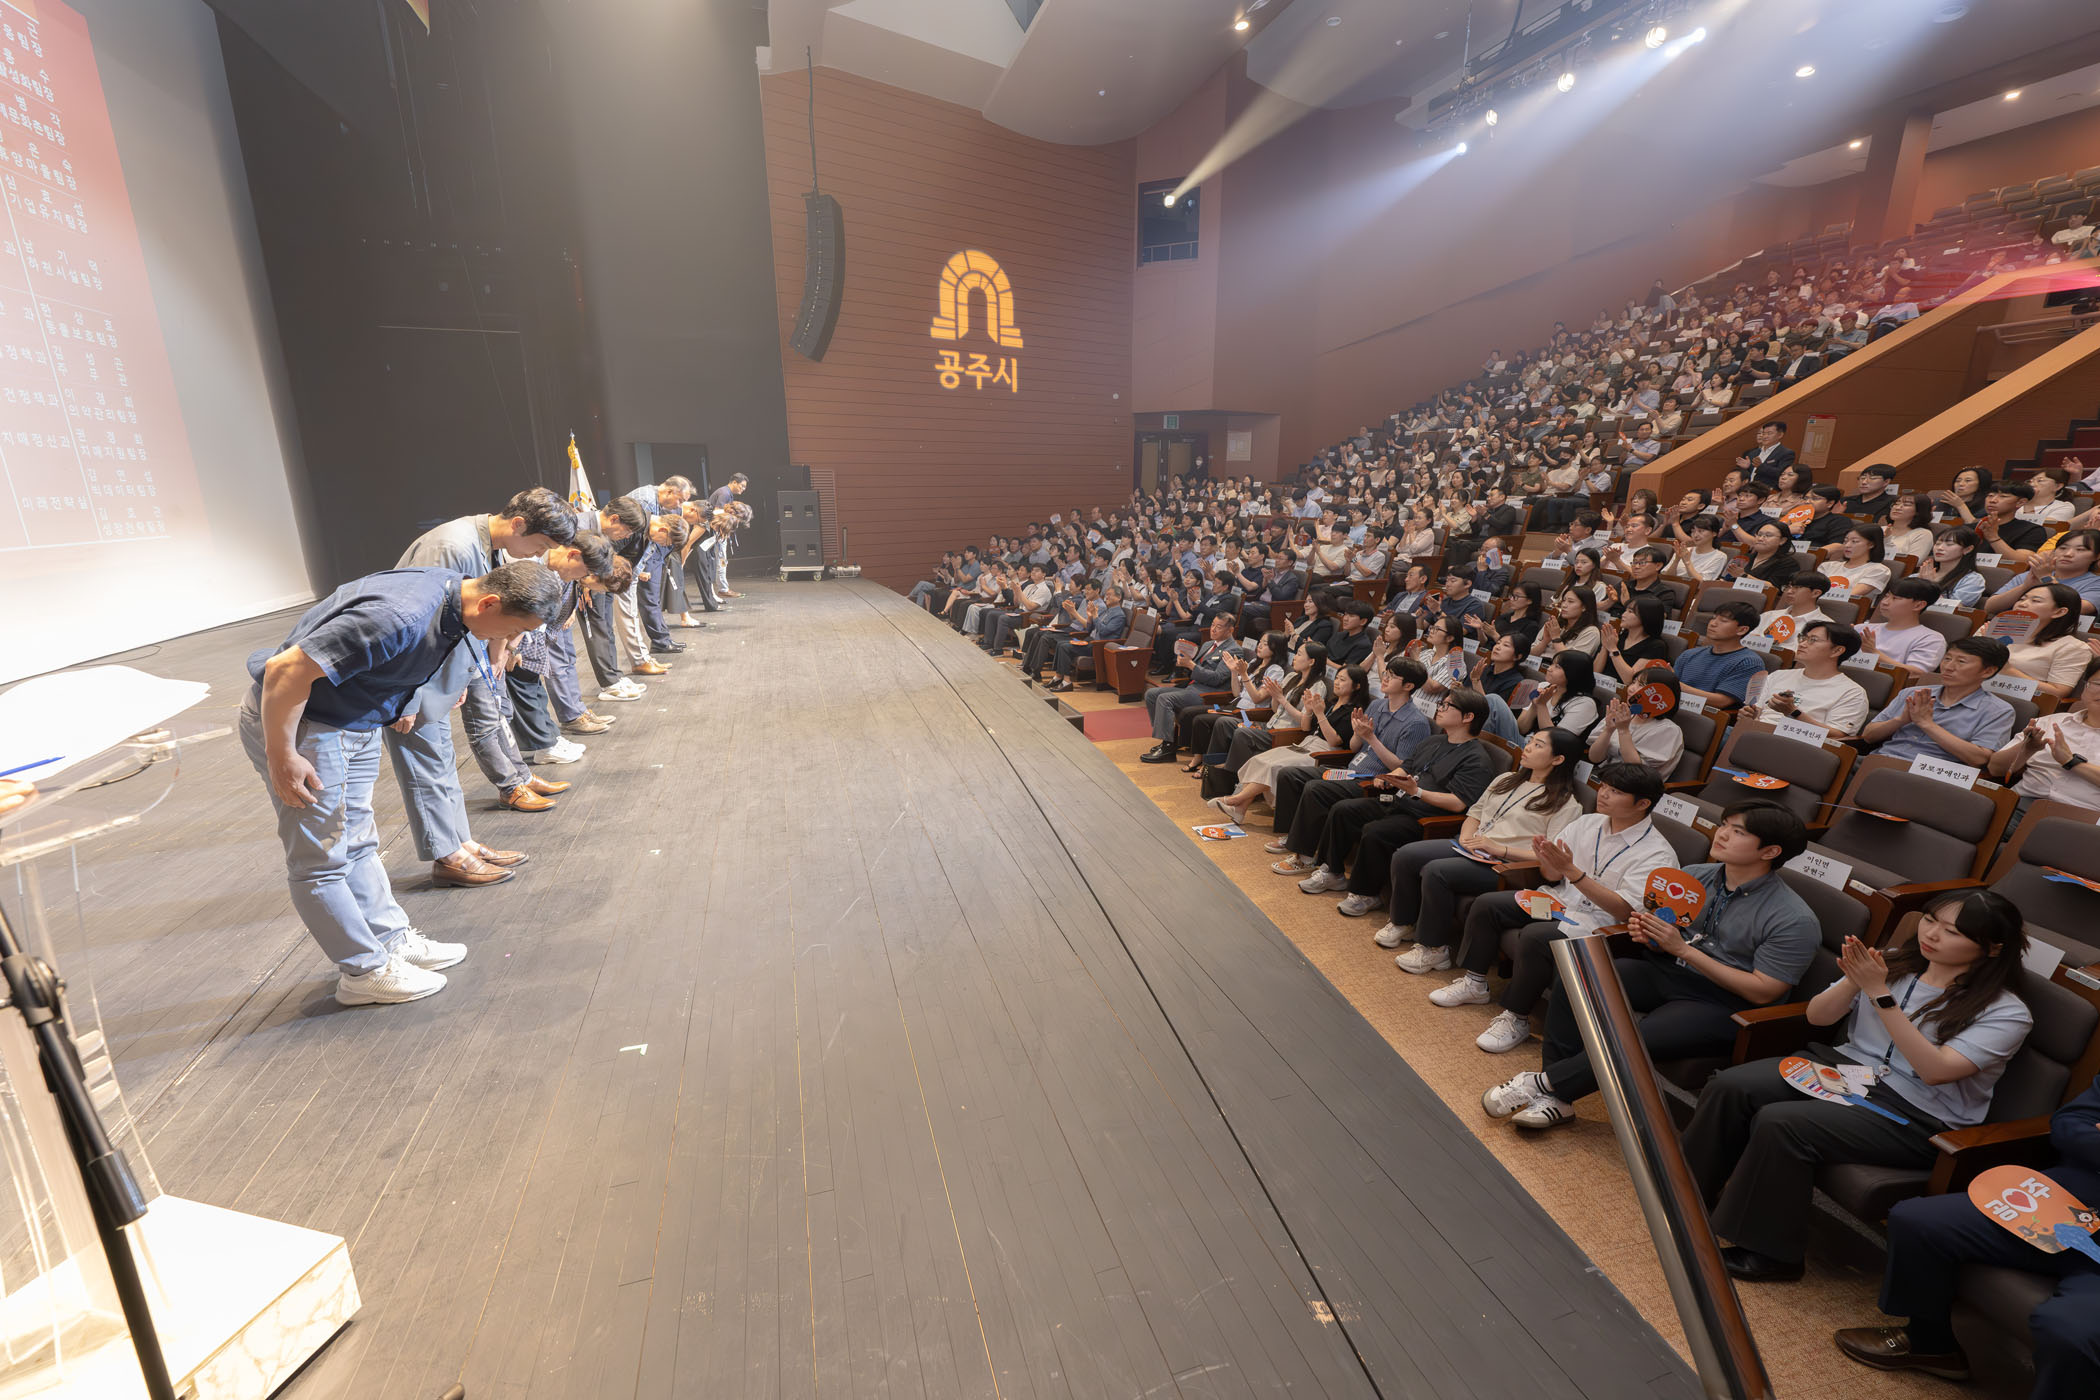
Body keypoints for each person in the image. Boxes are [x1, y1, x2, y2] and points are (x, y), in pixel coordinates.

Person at [241, 561, 562, 1005]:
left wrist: (404, 699)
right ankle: (363, 972)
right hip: (305, 726)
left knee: (359, 842)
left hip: (351, 722)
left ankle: (390, 942)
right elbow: (284, 670)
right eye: (512, 630)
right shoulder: (399, 615)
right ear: (490, 603)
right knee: (321, 860)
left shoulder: (452, 596)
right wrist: (282, 754)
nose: (506, 641)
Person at [1687, 889, 2033, 1281]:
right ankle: (1687, 1192)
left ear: (1992, 948)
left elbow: (1935, 1070)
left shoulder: (2006, 1011)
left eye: (1952, 932)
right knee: (1732, 1086)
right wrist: (1854, 980)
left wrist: (1879, 993)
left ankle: (1772, 1255)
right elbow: (1818, 1018)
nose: (1932, 934)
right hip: (1848, 1068)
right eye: (1930, 920)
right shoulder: (1890, 963)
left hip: (1915, 1112)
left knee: (1782, 1122)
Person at [1481, 802, 1821, 1129]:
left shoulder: (1793, 918)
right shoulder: (1693, 877)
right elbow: (1667, 938)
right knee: (1581, 974)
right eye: (1724, 825)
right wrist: (1649, 935)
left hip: (1724, 1001)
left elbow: (1764, 991)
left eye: (1738, 831)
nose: (1722, 834)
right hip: (1669, 970)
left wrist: (1683, 950)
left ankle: (1546, 1085)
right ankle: (1557, 1096)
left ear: (1770, 851)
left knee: (1643, 1033)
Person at [1835, 1070, 2100, 1389]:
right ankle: (1930, 1345)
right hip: (2063, 1204)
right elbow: (2070, 1122)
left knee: (2066, 1331)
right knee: (1916, 1220)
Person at [1411, 763, 1676, 1052]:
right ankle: (1475, 984)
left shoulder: (1657, 854)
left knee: (1536, 937)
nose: (1603, 794)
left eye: (1616, 791)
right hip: (1560, 901)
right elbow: (1551, 876)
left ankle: (1516, 1018)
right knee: (1488, 905)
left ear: (1643, 804)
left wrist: (1572, 871)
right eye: (1604, 786)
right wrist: (1549, 861)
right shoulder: (1589, 824)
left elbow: (1625, 910)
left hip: (1599, 924)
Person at [387, 490, 576, 893]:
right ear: (519, 524)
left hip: (438, 674)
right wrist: (409, 693)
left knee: (441, 763)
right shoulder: (451, 547)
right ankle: (447, 856)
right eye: (540, 544)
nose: (538, 555)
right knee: (425, 766)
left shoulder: (482, 546)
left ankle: (460, 842)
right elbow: (416, 625)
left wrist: (459, 675)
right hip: (413, 679)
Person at [1375, 729, 1584, 951]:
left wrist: (1500, 850)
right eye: (1530, 741)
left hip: (1505, 866)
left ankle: (1433, 949)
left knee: (1436, 871)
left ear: (1558, 759)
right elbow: (1475, 813)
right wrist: (1466, 838)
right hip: (1473, 846)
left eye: (1538, 745)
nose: (1528, 747)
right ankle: (1402, 923)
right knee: (1406, 856)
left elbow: (1549, 858)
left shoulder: (1565, 805)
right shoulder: (1506, 779)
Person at [1294, 691, 1499, 917]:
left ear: (1468, 717)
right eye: (1441, 703)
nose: (1439, 708)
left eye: (1447, 705)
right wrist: (1390, 777)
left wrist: (1417, 792)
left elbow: (1458, 804)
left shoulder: (1476, 759)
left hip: (1425, 817)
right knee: (1343, 810)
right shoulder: (1434, 741)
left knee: (1376, 831)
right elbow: (1406, 767)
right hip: (1399, 801)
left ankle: (1366, 894)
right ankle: (1332, 872)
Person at [1265, 656, 1432, 868]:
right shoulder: (1377, 705)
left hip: (1374, 782)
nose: (1385, 678)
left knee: (1316, 789)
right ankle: (1293, 836)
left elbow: (1399, 767)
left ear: (1408, 686)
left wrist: (1371, 738)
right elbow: (1354, 748)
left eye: (1392, 676)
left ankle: (1304, 857)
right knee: (1290, 774)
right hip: (1351, 770)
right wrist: (1358, 733)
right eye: (1386, 673)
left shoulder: (1416, 723)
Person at [1210, 662, 1366, 822]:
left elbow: (1334, 741)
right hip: (1307, 743)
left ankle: (1236, 800)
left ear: (1357, 686)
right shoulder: (1330, 704)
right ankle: (1239, 809)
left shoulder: (1353, 711)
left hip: (1324, 753)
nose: (1337, 682)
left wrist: (1319, 714)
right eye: (1337, 678)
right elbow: (1306, 727)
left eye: (1342, 680)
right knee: (1259, 760)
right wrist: (1309, 710)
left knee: (1273, 766)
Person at [1859, 637, 2017, 766]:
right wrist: (1900, 720)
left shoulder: (1998, 710)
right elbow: (1868, 736)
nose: (1948, 667)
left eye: (1961, 662)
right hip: (1877, 761)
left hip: (1928, 777)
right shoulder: (1912, 694)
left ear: (1988, 671)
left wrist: (1927, 724)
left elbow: (1979, 759)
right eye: (1947, 659)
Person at [1987, 658, 2100, 819]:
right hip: (2020, 806)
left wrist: (2071, 762)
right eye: (2099, 684)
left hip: (2083, 819)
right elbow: (1995, 768)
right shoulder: (2052, 722)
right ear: (2085, 687)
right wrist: (2026, 749)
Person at [1139, 614, 1241, 764]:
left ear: (1230, 630)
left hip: (1208, 694)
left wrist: (1191, 665)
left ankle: (1168, 748)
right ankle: (1168, 738)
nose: (1213, 629)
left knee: (1165, 699)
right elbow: (1195, 669)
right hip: (1192, 687)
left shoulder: (1233, 650)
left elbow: (1217, 678)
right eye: (1212, 624)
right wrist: (1184, 662)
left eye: (1218, 627)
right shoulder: (1208, 644)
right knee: (1151, 694)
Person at [1742, 619, 1872, 734]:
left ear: (1837, 650)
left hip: (1794, 746)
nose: (1802, 644)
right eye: (1803, 638)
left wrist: (1794, 712)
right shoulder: (1779, 675)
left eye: (1813, 640)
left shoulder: (1852, 692)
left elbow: (1837, 735)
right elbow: (1757, 713)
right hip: (1755, 735)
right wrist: (1749, 716)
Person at [1995, 582, 2092, 696]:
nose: (2022, 604)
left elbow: (2057, 693)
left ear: (2059, 612)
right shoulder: (1996, 630)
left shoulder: (2073, 648)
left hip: (2013, 700)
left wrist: (2008, 670)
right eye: (2022, 599)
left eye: (2035, 601)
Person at [1587, 668, 1687, 774]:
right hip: (1604, 775)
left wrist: (1623, 731)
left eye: (1642, 685)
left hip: (1631, 782)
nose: (1631, 689)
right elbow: (1594, 758)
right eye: (1633, 682)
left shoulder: (1669, 730)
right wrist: (1608, 730)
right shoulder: (1624, 714)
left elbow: (1636, 772)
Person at [1674, 601, 1767, 710]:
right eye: (1713, 618)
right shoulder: (1689, 654)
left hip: (1707, 716)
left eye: (1723, 621)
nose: (1713, 623)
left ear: (1742, 630)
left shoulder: (1749, 663)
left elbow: (1721, 701)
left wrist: (1676, 685)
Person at [1044, 585, 1129, 692]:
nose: (1106, 597)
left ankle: (1066, 682)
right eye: (1106, 594)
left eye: (1109, 595)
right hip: (1090, 640)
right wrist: (1090, 617)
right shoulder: (1107, 611)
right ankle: (1058, 677)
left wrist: (1095, 616)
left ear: (1118, 597)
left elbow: (1104, 631)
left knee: (1065, 647)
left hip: (1099, 645)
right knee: (1061, 644)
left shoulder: (1119, 615)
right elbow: (1089, 629)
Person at [1857, 577, 1948, 674]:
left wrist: (1874, 653)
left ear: (1918, 605)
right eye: (1886, 596)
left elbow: (1916, 673)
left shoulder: (1930, 639)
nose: (1884, 602)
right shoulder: (1861, 628)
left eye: (1895, 598)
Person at [1516, 649, 1602, 743]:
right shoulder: (1543, 686)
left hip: (1544, 749)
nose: (1549, 669)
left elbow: (1554, 742)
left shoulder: (1585, 704)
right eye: (1552, 664)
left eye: (1557, 667)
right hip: (1524, 741)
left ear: (1574, 673)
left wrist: (1541, 705)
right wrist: (1534, 705)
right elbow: (1521, 729)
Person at [1913, 526, 1988, 609]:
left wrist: (1930, 586)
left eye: (1949, 544)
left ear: (1967, 549)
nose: (1940, 548)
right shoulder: (1922, 575)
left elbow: (1955, 609)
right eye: (1937, 544)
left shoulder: (1972, 579)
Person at [1828, 524, 1891, 600]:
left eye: (1854, 541)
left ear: (1871, 544)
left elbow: (1850, 596)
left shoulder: (1879, 570)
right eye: (1845, 541)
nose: (1847, 545)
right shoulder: (1828, 566)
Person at [1736, 421, 1796, 488]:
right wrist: (1747, 467)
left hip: (1768, 490)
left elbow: (1781, 473)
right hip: (1748, 489)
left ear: (1780, 435)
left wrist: (1761, 466)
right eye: (1763, 433)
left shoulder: (1786, 453)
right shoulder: (1753, 452)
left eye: (1769, 433)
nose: (1765, 436)